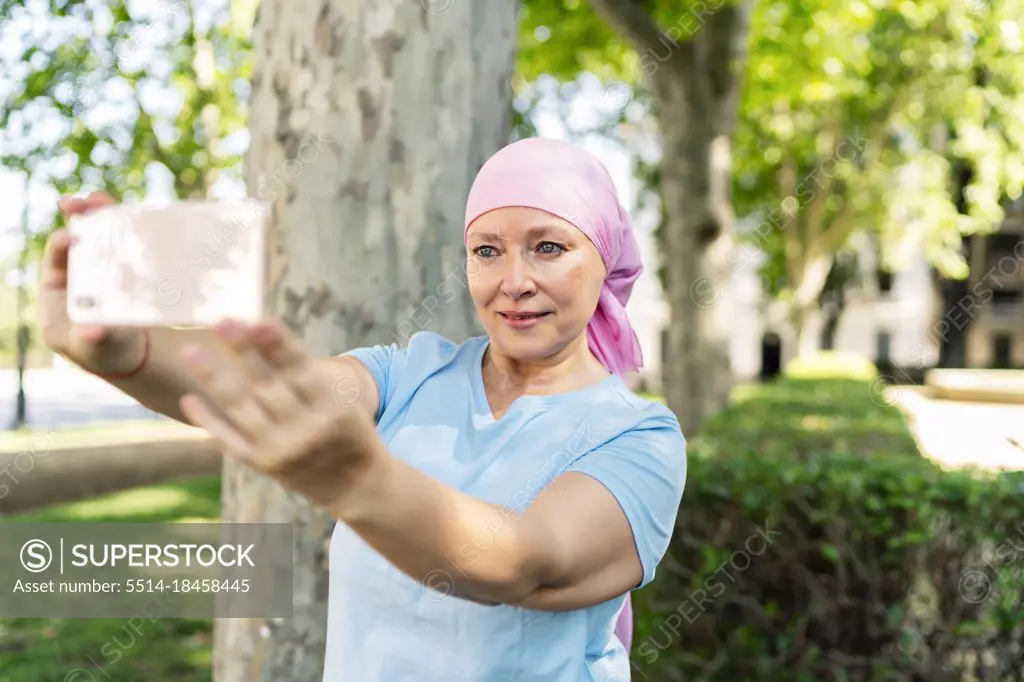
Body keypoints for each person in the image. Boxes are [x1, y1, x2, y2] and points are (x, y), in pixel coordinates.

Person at [41, 136, 687, 681]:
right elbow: (268, 393)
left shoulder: (639, 439)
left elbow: (516, 562)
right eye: (487, 250)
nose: (513, 281)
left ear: (604, 259)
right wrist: (124, 349)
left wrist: (356, 480)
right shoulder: (409, 373)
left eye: (549, 248)